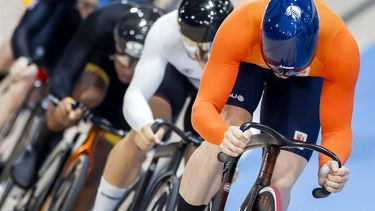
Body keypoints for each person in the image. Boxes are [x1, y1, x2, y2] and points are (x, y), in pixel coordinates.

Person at [178, 0, 360, 210]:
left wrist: (330, 163)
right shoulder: (240, 25)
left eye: (291, 69)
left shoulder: (340, 47)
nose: (281, 75)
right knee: (227, 128)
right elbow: (203, 105)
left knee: (283, 177)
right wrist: (221, 134)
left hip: (305, 81)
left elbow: (338, 129)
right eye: (276, 67)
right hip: (249, 62)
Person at [90, 1, 246, 210]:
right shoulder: (166, 29)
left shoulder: (243, 39)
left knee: (210, 164)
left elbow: (249, 109)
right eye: (192, 48)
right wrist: (144, 125)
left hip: (220, 93)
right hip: (178, 78)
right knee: (144, 130)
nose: (200, 57)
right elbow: (135, 93)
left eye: (206, 50)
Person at [10, 2, 161, 209]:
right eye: (123, 61)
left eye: (133, 64)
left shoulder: (161, 49)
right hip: (101, 63)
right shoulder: (102, 21)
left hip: (139, 86)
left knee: (100, 166)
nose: (126, 70)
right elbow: (64, 73)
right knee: (89, 94)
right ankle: (40, 144)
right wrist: (65, 103)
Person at [0, 0, 99, 130]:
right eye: (84, 7)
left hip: (61, 60)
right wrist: (24, 58)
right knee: (21, 72)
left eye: (91, 9)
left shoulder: (97, 21)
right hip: (40, 45)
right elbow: (23, 29)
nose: (87, 13)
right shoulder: (59, 5)